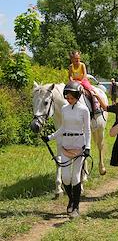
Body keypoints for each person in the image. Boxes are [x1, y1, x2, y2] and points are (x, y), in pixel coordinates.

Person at [42, 81, 91, 219]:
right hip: (66, 144)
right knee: (65, 177)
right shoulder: (64, 109)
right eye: (67, 97)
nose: (69, 100)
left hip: (79, 145)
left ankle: (76, 206)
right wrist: (50, 137)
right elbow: (63, 127)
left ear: (77, 96)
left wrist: (87, 147)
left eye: (71, 98)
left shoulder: (84, 110)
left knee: (75, 177)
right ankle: (71, 199)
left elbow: (87, 130)